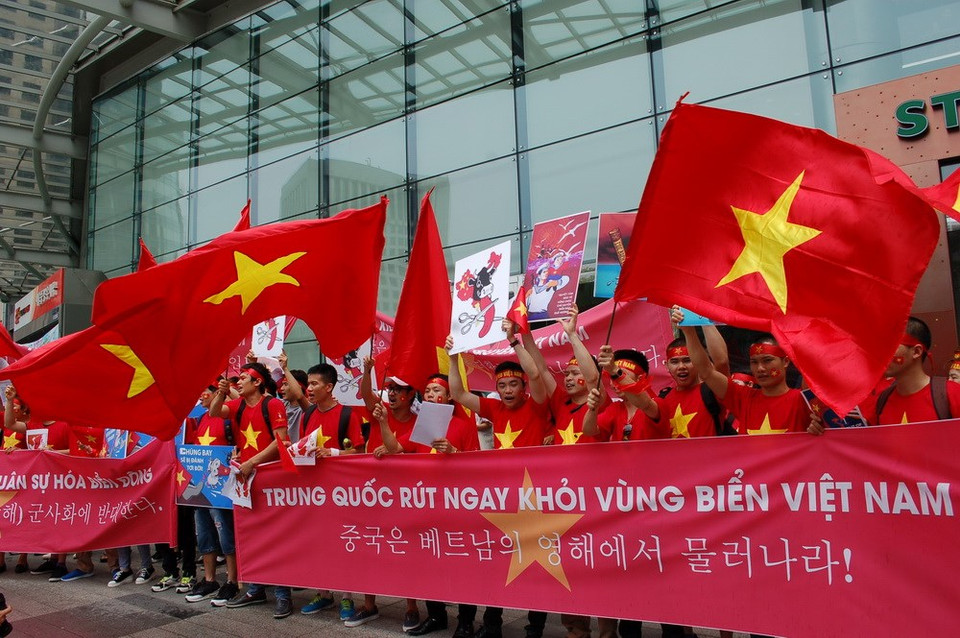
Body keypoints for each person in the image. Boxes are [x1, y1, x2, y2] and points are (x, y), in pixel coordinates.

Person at [446, 318, 551, 638]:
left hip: (534, 501)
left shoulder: (537, 406)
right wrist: (453, 356)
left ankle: (536, 628)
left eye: (513, 385)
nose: (507, 391)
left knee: (538, 567)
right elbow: (459, 393)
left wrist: (514, 342)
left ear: (523, 388)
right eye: (502, 385)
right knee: (496, 565)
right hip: (500, 501)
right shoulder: (493, 408)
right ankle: (492, 625)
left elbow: (535, 373)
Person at [208, 362, 293, 619]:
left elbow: (282, 442)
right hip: (245, 481)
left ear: (257, 382)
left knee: (275, 537)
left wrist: (252, 462)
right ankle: (255, 588)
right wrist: (221, 393)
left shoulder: (273, 404)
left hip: (269, 480)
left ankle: (282, 594)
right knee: (250, 536)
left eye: (244, 377)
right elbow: (214, 412)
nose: (239, 382)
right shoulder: (238, 405)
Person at [341, 359, 420, 628]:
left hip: (403, 497)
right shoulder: (378, 410)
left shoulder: (418, 423)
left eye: (399, 389)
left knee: (405, 552)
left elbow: (397, 448)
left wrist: (388, 439)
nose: (393, 394)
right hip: (371, 495)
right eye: (389, 389)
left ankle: (411, 607)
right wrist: (366, 371)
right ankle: (369, 604)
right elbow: (365, 393)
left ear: (411, 394)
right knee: (368, 547)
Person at [294, 363, 362, 620]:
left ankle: (347, 597)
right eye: (308, 384)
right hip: (315, 494)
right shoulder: (307, 415)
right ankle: (323, 594)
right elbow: (303, 448)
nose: (309, 389)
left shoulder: (347, 415)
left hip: (342, 495)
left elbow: (360, 452)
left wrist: (333, 453)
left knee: (344, 545)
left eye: (314, 384)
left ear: (329, 387)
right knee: (318, 544)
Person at [811, 316, 959, 430]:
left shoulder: (951, 394)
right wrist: (821, 428)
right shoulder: (881, 402)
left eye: (891, 346)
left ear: (917, 352)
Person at [678, 309, 808, 435]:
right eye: (754, 362)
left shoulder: (802, 400)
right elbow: (706, 372)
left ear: (785, 362)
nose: (760, 368)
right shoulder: (743, 398)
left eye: (767, 360)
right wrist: (689, 332)